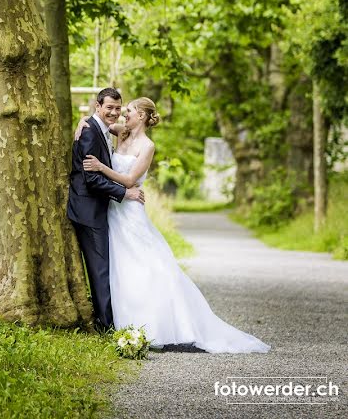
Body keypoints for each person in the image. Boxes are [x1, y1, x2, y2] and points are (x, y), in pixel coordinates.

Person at [76, 97, 270, 353]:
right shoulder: (121, 132)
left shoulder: (147, 146)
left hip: (130, 208)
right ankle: (119, 319)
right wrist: (81, 121)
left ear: (143, 117)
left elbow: (130, 179)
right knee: (119, 264)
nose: (124, 114)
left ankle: (157, 322)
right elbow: (97, 123)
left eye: (130, 111)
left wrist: (100, 166)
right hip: (113, 208)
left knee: (145, 263)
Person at [67, 87, 144, 332]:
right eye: (109, 107)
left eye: (118, 108)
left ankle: (109, 319)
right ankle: (105, 326)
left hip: (98, 209)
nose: (113, 112)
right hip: (88, 210)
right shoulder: (90, 131)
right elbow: (91, 179)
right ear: (98, 106)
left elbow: (127, 131)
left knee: (105, 267)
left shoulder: (102, 128)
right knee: (100, 269)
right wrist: (124, 192)